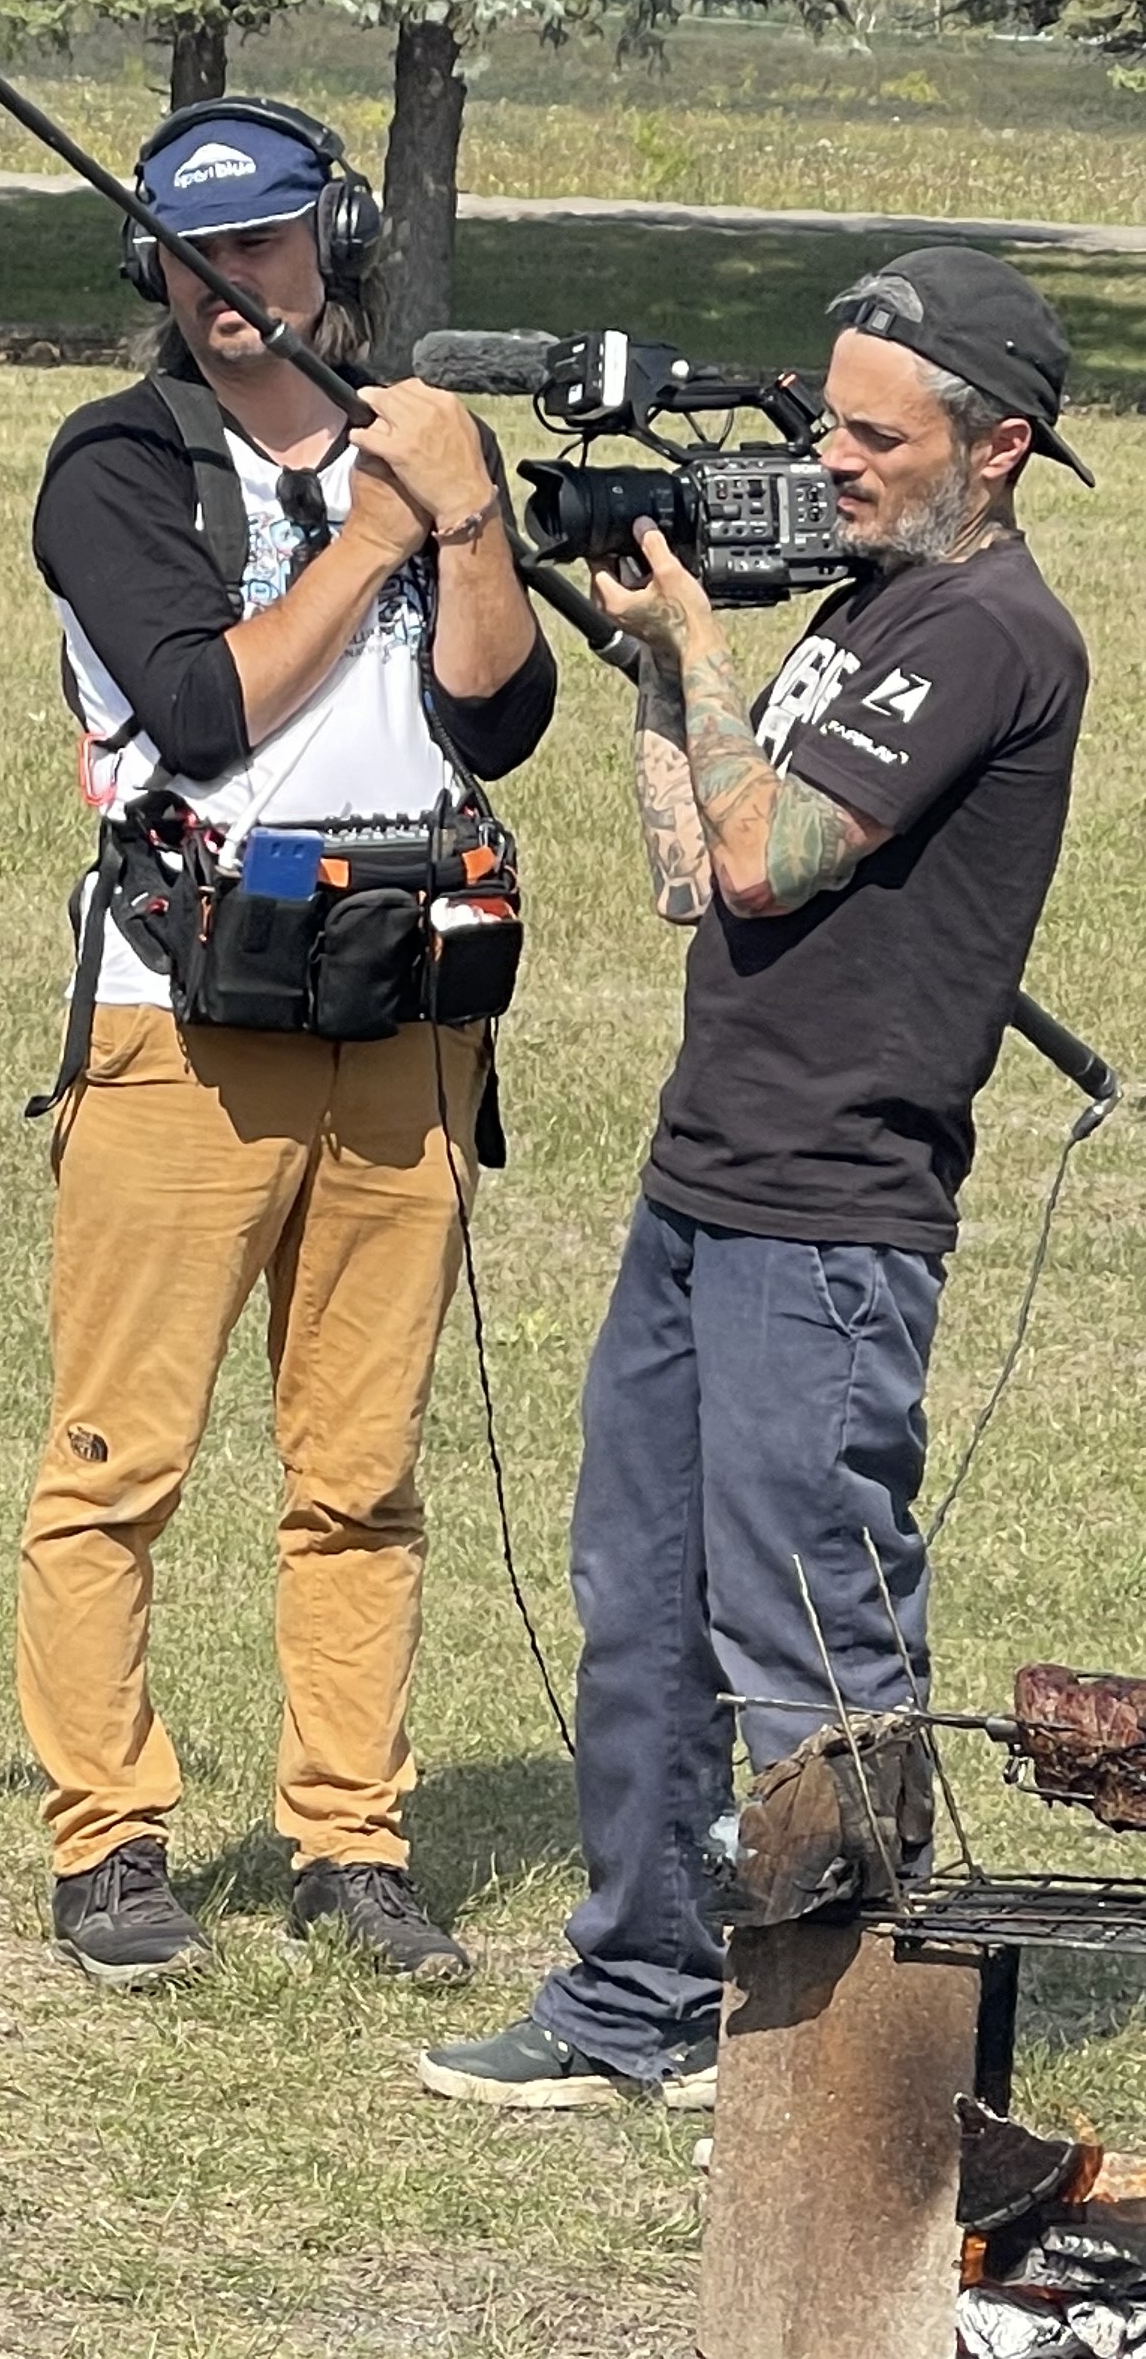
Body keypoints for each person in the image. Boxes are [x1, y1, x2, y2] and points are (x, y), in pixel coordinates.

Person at [421, 249, 1091, 2113]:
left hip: (834, 1218)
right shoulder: (865, 610)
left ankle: (848, 2054)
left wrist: (712, 653)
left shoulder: (993, 637)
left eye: (880, 435)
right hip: (702, 1180)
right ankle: (636, 1994)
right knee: (638, 1602)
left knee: (809, 1633)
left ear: (999, 448)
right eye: (831, 418)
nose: (839, 457)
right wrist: (659, 665)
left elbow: (778, 856)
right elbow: (692, 871)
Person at [20, 98, 556, 1989]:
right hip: (188, 1018)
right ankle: (110, 1840)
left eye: (262, 251)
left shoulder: (417, 444)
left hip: (407, 1014)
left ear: (326, 247)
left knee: (362, 1467)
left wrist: (464, 511)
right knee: (121, 1454)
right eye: (195, 260)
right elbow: (205, 709)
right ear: (155, 273)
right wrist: (377, 530)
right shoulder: (117, 467)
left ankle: (352, 1837)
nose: (233, 292)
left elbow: (501, 721)